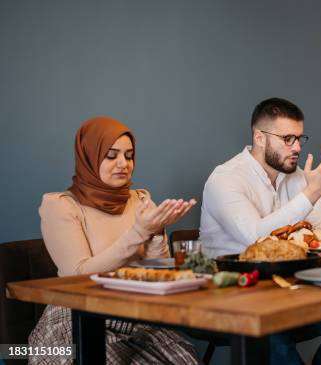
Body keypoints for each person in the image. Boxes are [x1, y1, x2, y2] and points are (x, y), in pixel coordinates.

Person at [200, 97, 321, 365]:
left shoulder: (296, 176)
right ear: (259, 137)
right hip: (231, 297)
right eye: (288, 139)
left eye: (299, 138)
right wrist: (312, 192)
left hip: (285, 291)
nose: (296, 147)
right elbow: (256, 238)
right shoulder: (225, 178)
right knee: (274, 338)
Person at [29, 116, 198, 364]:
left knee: (185, 359)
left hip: (134, 311)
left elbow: (157, 272)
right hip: (78, 313)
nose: (123, 164)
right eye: (111, 155)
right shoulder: (60, 206)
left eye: (129, 155)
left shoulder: (139, 200)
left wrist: (156, 230)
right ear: (89, 156)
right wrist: (139, 231)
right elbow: (77, 276)